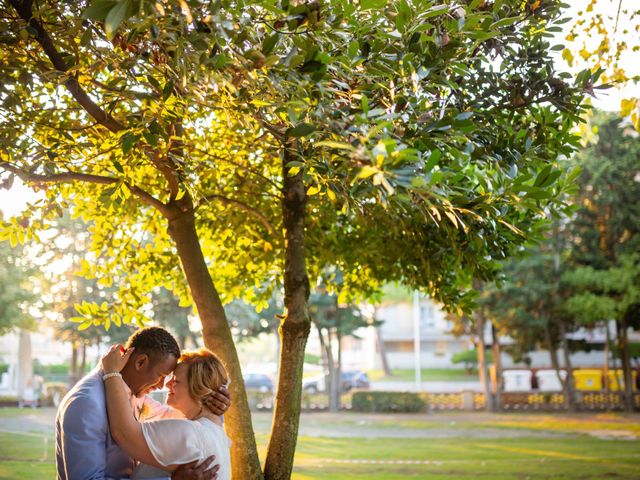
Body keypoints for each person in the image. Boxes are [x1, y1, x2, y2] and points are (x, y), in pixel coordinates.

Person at [55, 326, 230, 480]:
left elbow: (179, 415)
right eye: (161, 376)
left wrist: (214, 403)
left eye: (172, 380)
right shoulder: (87, 403)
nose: (162, 385)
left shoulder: (136, 394)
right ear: (141, 362)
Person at [101, 345, 232, 480]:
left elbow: (124, 433)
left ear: (198, 387)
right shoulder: (216, 433)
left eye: (176, 381)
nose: (167, 384)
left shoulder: (188, 432)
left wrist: (111, 372)